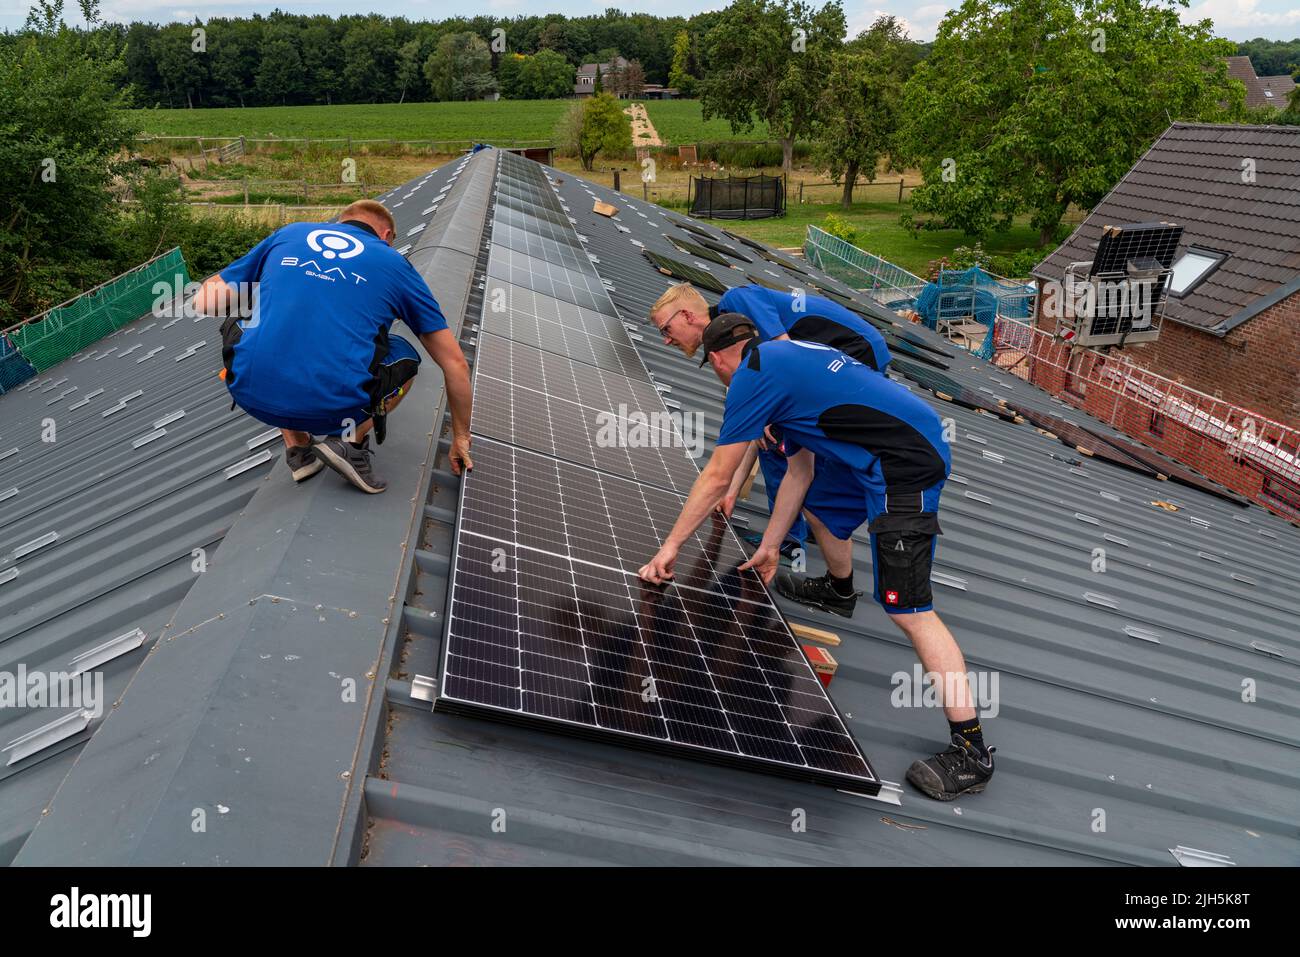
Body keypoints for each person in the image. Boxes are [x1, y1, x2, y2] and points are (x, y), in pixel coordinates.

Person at [637, 313, 994, 801]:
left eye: (716, 368)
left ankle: (972, 751)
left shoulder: (753, 374)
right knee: (821, 506)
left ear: (720, 358)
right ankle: (837, 588)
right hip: (882, 454)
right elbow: (799, 474)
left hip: (904, 467)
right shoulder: (791, 359)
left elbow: (718, 476)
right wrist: (769, 547)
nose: (722, 378)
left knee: (908, 610)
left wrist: (671, 545)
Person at [193, 200, 472, 493]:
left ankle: (299, 451)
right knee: (404, 355)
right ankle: (348, 445)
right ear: (387, 236)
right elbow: (455, 364)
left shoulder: (291, 234)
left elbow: (204, 302)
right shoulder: (394, 264)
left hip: (252, 395)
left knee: (267, 328)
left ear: (341, 222)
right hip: (335, 411)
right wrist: (460, 438)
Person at [647, 282, 891, 557]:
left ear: (687, 316)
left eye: (666, 329)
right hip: (838, 359)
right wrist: (732, 491)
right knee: (775, 429)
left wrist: (770, 417)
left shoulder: (737, 301)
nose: (666, 340)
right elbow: (754, 421)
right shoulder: (731, 340)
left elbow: (787, 356)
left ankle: (789, 539)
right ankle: (807, 524)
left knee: (777, 435)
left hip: (857, 348)